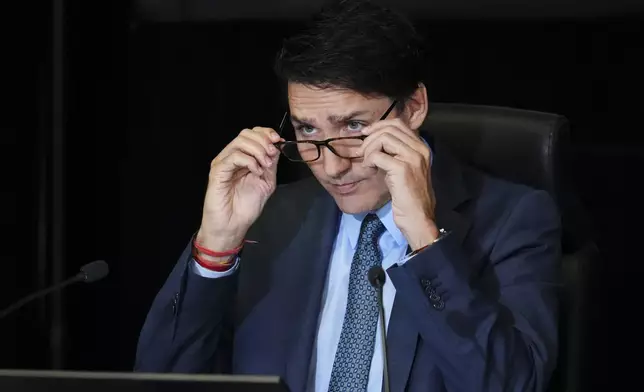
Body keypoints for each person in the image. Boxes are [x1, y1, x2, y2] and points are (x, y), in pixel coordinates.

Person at [134, 1, 561, 391]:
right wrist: (216, 246)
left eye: (354, 127)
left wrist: (426, 242)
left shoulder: (512, 220)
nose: (333, 167)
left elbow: (511, 385)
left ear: (413, 107)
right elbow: (158, 381)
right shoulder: (272, 218)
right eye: (307, 131)